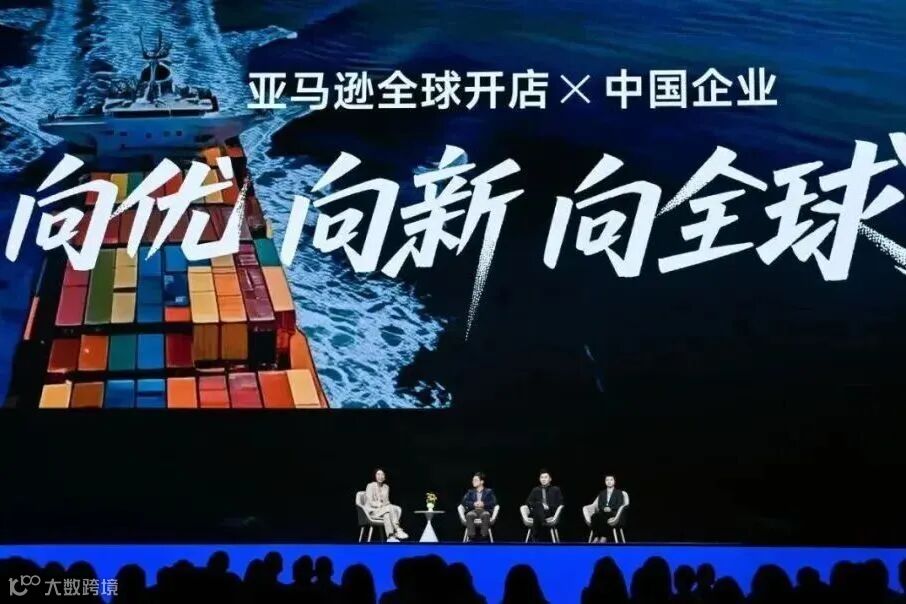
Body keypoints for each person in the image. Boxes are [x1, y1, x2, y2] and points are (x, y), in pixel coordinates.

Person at [364, 468, 408, 542]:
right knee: (389, 508)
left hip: (383, 510)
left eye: (382, 474)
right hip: (372, 512)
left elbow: (387, 501)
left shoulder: (386, 487)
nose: (380, 476)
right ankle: (398, 529)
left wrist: (386, 505)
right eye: (378, 474)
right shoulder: (370, 485)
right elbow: (370, 501)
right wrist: (380, 505)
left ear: (385, 477)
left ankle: (390, 537)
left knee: (387, 514)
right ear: (375, 476)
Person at [525, 469, 563, 542]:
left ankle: (535, 534)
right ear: (539, 479)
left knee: (537, 512)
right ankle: (543, 523)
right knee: (538, 505)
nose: (543, 479)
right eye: (541, 477)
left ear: (550, 479)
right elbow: (528, 502)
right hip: (537, 510)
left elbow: (561, 503)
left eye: (546, 477)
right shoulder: (535, 490)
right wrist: (540, 505)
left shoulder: (556, 489)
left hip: (550, 512)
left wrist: (548, 507)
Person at [461, 472, 497, 542]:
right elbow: (464, 502)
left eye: (475, 480)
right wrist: (473, 504)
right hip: (474, 511)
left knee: (486, 515)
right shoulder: (470, 492)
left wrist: (484, 504)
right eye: (473, 480)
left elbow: (494, 502)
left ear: (482, 482)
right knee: (469, 515)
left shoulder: (489, 491)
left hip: (484, 510)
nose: (473, 482)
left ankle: (484, 536)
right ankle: (471, 537)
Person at [590, 475, 627, 543]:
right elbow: (599, 504)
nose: (609, 481)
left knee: (602, 517)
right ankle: (596, 537)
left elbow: (620, 504)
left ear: (614, 482)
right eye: (607, 480)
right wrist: (604, 508)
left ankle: (604, 536)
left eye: (611, 480)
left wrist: (610, 508)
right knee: (594, 516)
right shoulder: (602, 493)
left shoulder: (619, 492)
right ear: (605, 482)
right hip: (603, 512)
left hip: (614, 513)